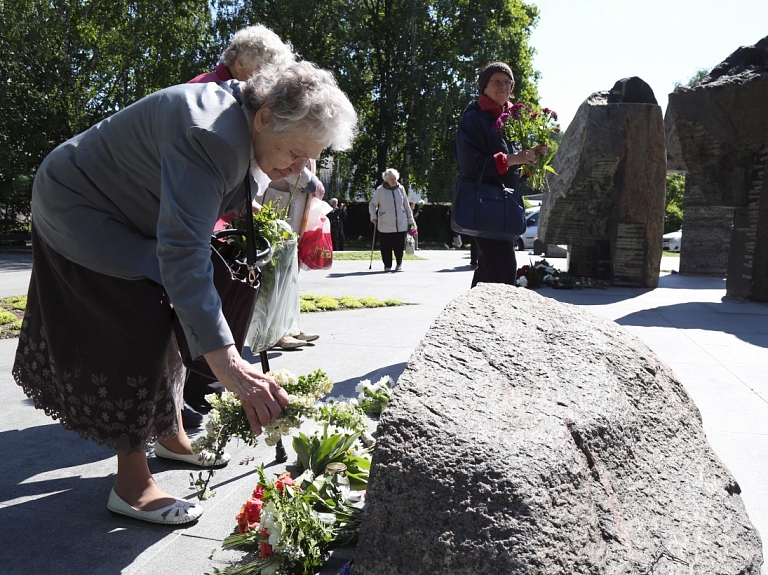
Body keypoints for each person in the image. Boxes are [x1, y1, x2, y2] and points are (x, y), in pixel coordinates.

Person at [13, 61, 357, 525]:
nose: (298, 170)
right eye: (296, 153)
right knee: (139, 319)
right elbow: (181, 253)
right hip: (79, 207)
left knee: (176, 311)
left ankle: (170, 435)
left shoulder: (250, 115)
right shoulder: (211, 133)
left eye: (308, 159)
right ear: (265, 118)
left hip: (127, 211)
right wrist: (230, 365)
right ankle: (131, 484)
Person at [184, 24, 322, 411]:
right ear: (241, 62)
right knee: (204, 292)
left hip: (212, 216)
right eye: (264, 72)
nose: (269, 84)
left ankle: (198, 385)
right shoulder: (213, 95)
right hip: (199, 222)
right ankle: (195, 387)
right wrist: (242, 206)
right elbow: (208, 172)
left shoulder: (237, 101)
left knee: (216, 294)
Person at [455, 61, 545, 287]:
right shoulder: (473, 118)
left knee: (490, 269)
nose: (503, 86)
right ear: (484, 86)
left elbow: (508, 172)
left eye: (507, 82)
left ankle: (471, 317)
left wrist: (529, 160)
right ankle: (487, 319)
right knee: (502, 268)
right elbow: (471, 166)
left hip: (501, 205)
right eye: (497, 81)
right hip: (484, 204)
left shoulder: (508, 121)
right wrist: (514, 159)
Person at [369, 168, 415, 272]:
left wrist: (411, 220)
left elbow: (406, 206)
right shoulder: (380, 190)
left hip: (400, 223)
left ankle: (399, 263)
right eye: (391, 179)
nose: (394, 181)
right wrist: (373, 216)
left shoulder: (401, 188)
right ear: (386, 179)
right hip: (385, 223)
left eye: (395, 178)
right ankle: (387, 265)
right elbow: (372, 205)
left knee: (399, 246)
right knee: (386, 247)